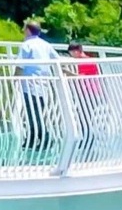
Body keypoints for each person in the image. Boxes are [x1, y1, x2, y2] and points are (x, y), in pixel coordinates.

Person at [16, 19, 60, 151]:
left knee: (32, 114)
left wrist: (14, 79)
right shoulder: (46, 45)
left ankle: (45, 138)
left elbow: (20, 65)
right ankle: (32, 139)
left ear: (28, 30)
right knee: (37, 113)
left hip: (29, 85)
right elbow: (57, 61)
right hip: (43, 85)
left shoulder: (26, 45)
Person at [66, 39, 104, 148]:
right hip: (89, 93)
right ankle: (87, 140)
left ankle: (88, 140)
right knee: (85, 116)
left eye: (72, 53)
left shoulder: (85, 61)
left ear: (76, 51)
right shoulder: (86, 60)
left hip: (89, 93)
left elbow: (81, 77)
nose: (72, 56)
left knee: (84, 117)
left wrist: (67, 73)